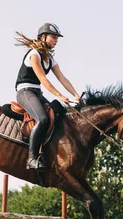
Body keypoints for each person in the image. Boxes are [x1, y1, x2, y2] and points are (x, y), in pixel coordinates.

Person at [14, 23, 82, 170]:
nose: (56, 40)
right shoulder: (34, 54)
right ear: (43, 37)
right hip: (25, 92)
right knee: (43, 119)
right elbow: (43, 79)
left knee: (58, 114)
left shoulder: (50, 58)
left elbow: (62, 78)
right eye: (53, 37)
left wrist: (75, 94)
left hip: (37, 93)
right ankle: (32, 158)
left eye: (57, 38)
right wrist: (59, 95)